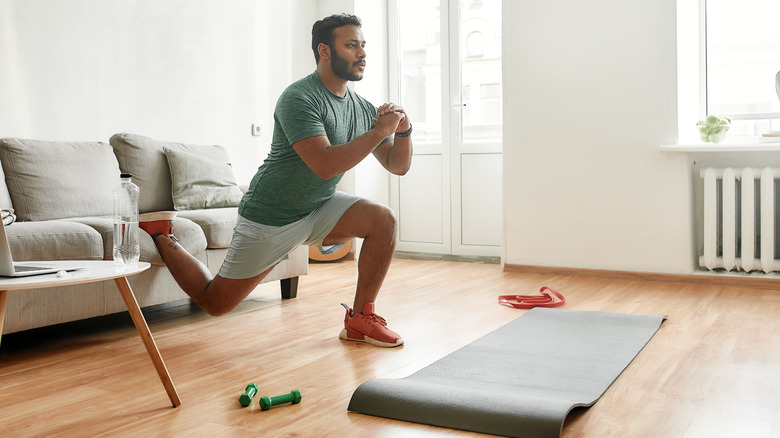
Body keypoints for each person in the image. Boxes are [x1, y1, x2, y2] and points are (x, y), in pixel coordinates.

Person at [139, 13, 412, 348]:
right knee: (215, 302)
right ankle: (164, 236)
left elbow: (397, 166)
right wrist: (378, 130)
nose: (362, 54)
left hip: (318, 206)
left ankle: (359, 320)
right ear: (324, 51)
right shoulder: (299, 98)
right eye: (352, 45)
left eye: (363, 45)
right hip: (270, 215)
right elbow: (324, 165)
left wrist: (403, 131)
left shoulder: (360, 107)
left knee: (383, 220)